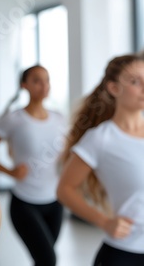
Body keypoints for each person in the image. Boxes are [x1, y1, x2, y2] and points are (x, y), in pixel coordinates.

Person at [57, 54, 144, 266]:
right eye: (135, 81)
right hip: (125, 253)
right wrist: (104, 221)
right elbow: (64, 189)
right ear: (114, 88)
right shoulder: (100, 139)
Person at [0, 65, 66, 266]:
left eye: (47, 80)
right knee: (48, 259)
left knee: (44, 259)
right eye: (37, 80)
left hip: (55, 202)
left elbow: (65, 154)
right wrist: (10, 171)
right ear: (24, 85)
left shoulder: (60, 119)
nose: (44, 85)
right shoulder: (14, 119)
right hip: (25, 204)